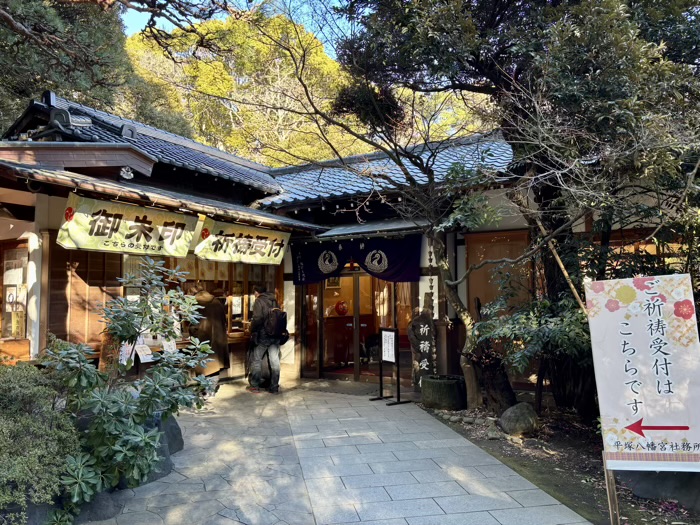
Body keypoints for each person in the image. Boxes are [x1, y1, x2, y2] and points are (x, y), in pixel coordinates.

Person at [188, 286, 230, 378]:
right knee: (215, 366)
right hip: (218, 339)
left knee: (204, 367)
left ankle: (205, 390)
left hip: (202, 339)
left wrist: (191, 333)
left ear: (193, 293)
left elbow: (193, 325)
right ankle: (211, 389)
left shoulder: (195, 303)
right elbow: (224, 320)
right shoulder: (216, 301)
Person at [248, 285, 282, 394]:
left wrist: (251, 328)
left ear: (257, 292)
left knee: (256, 359)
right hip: (275, 335)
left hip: (263, 335)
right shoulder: (274, 300)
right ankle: (274, 386)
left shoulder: (259, 301)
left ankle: (255, 385)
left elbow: (257, 319)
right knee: (275, 361)